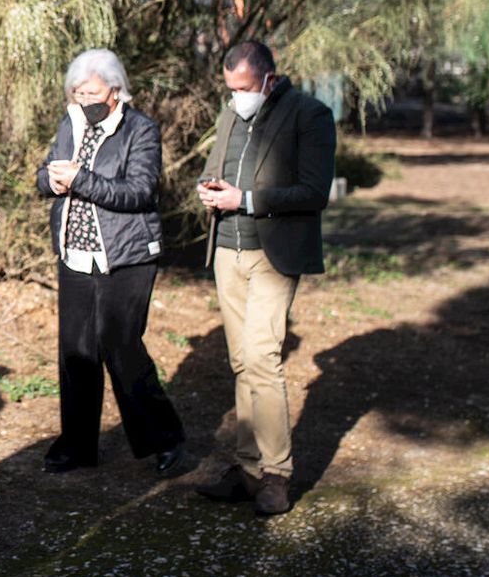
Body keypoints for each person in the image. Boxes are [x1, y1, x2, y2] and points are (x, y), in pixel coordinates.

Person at [194, 40, 336, 516]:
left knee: (261, 357)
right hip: (227, 251)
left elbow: (314, 192)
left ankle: (276, 474)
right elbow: (215, 168)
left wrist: (247, 200)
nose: (237, 98)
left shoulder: (309, 114)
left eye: (245, 89)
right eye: (231, 89)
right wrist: (208, 188)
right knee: (241, 362)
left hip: (272, 255)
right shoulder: (230, 114)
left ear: (269, 80)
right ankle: (248, 468)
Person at [35, 48, 186, 476]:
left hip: (127, 256)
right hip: (75, 254)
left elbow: (138, 191)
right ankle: (77, 445)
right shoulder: (70, 124)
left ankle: (164, 438)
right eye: (78, 93)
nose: (84, 100)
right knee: (76, 352)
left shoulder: (141, 130)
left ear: (115, 91)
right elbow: (43, 175)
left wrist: (79, 179)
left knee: (121, 347)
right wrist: (51, 181)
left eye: (92, 93)